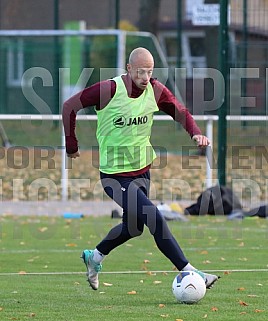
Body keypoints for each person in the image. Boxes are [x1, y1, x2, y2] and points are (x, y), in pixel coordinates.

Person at [62, 47, 219, 291]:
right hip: (114, 176)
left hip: (142, 170)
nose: (146, 78)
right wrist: (71, 145)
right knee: (154, 216)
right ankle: (190, 271)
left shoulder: (155, 90)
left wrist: (196, 133)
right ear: (128, 69)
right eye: (140, 72)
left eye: (149, 72)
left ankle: (94, 257)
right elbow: (69, 106)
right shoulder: (110, 90)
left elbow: (180, 111)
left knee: (133, 229)